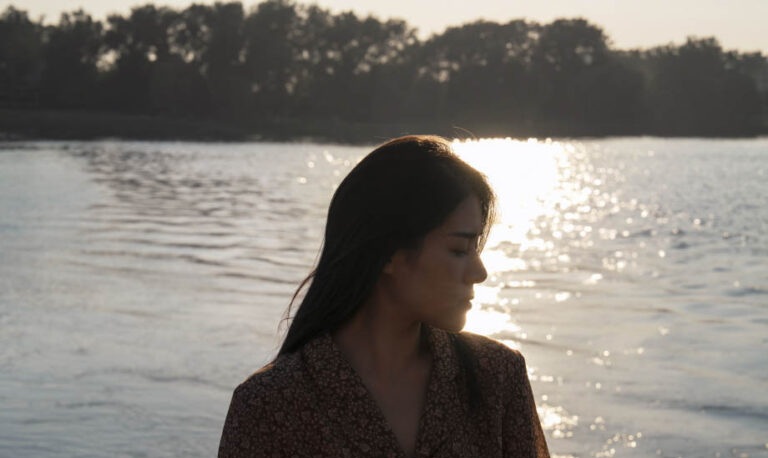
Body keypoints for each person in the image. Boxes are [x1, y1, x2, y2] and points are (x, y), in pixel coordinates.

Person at [219, 135, 550, 457]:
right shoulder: (269, 406)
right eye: (459, 249)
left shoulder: (497, 376)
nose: (480, 272)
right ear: (389, 252)